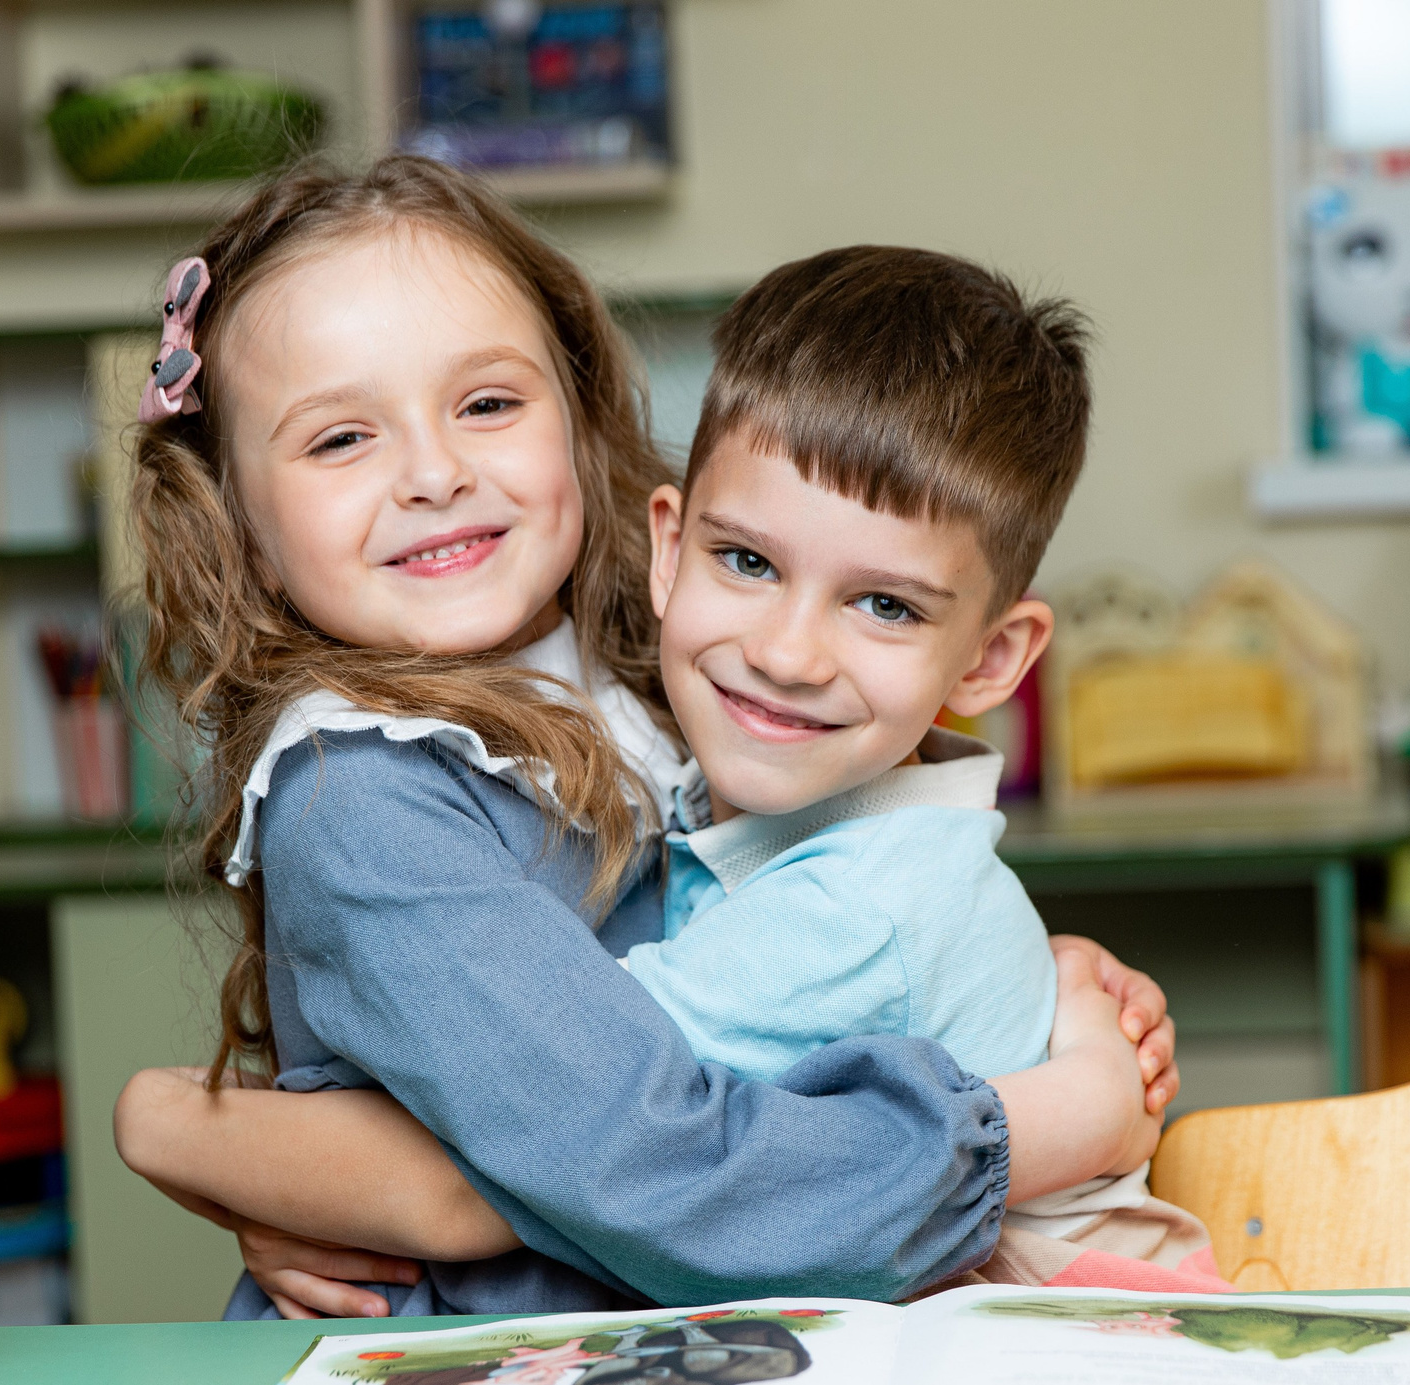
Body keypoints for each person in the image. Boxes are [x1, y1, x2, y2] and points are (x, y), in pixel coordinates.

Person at [108, 155, 1177, 1319]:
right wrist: (1045, 1116)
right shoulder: (359, 794)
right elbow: (640, 1167)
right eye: (339, 440)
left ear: (575, 414)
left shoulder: (664, 680)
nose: (433, 473)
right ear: (241, 522)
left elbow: (827, 935)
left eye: (485, 403)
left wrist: (1024, 986)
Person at [618, 246, 1221, 1287]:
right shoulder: (720, 792)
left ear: (990, 659)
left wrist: (235, 1149)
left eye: (884, 605)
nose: (785, 653)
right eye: (748, 562)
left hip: (1057, 1361)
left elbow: (547, 1112)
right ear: (667, 550)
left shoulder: (865, 907)